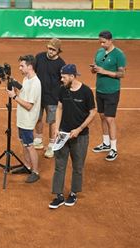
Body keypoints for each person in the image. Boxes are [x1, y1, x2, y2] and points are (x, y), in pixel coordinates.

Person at [49, 64, 96, 209]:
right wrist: (56, 128)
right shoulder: (62, 89)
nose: (61, 79)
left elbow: (93, 112)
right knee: (59, 166)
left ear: (72, 76)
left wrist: (80, 129)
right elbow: (60, 107)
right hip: (63, 135)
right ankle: (59, 195)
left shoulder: (86, 91)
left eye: (63, 77)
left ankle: (74, 193)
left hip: (80, 136)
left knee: (78, 167)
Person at [91, 30, 126, 161]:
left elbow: (121, 74)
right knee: (102, 117)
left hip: (112, 91)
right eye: (100, 42)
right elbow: (97, 68)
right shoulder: (99, 52)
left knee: (110, 119)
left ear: (111, 40)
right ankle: (105, 143)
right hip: (100, 90)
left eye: (104, 42)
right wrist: (94, 69)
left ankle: (113, 148)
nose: (101, 44)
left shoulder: (119, 55)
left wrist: (104, 71)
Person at [7, 55, 41, 183]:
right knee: (23, 143)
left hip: (27, 120)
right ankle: (27, 166)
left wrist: (14, 97)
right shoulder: (26, 79)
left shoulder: (35, 83)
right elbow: (23, 93)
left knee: (30, 145)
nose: (19, 68)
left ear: (30, 67)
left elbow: (28, 105)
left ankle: (35, 171)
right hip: (21, 118)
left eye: (22, 66)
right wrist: (15, 85)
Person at [34, 38, 66, 158]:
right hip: (38, 95)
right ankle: (38, 139)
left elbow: (64, 82)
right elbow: (33, 72)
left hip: (53, 97)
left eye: (53, 49)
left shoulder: (61, 64)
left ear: (58, 51)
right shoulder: (40, 57)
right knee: (37, 117)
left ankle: (52, 145)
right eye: (49, 48)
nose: (50, 51)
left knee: (52, 121)